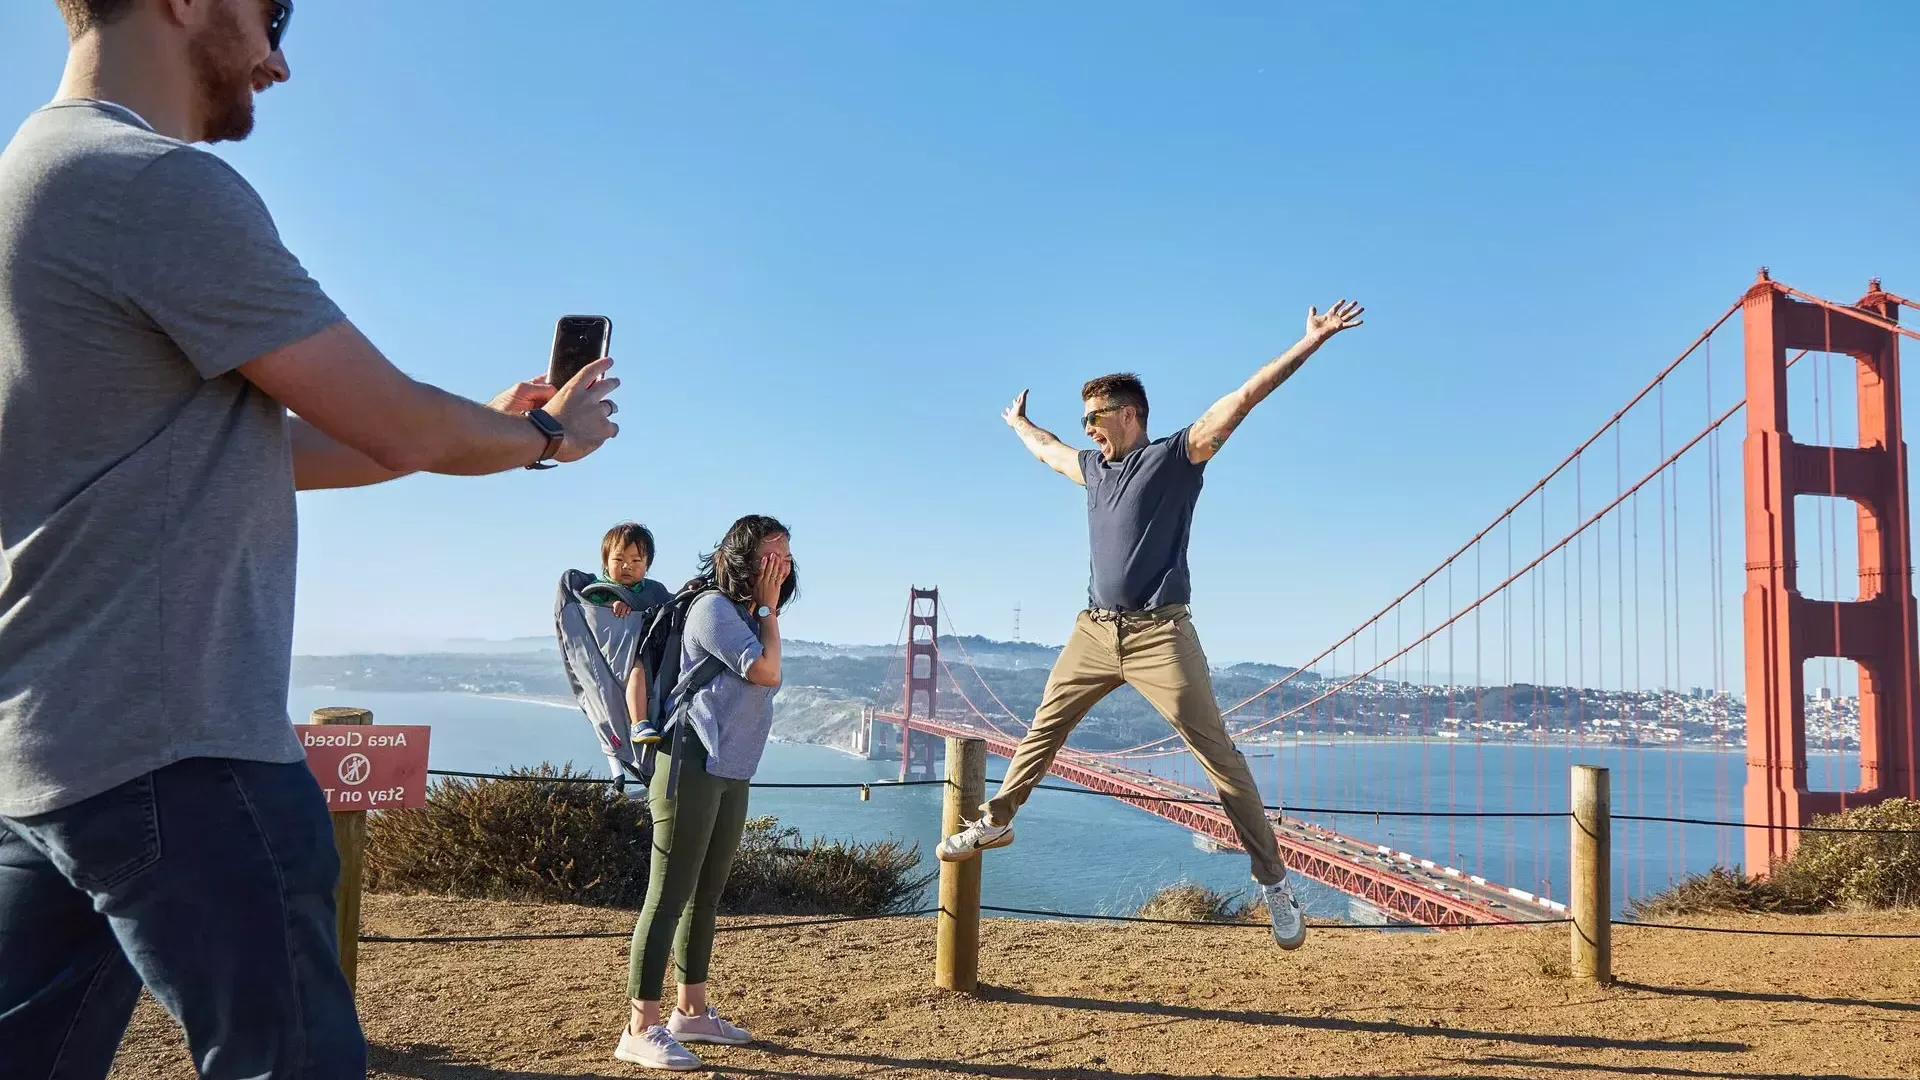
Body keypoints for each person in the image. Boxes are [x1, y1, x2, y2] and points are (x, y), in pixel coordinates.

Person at [0, 3, 621, 1077]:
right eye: (270, 16)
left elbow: (300, 443)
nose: (278, 61)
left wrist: (475, 422)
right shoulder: (150, 183)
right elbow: (391, 416)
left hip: (44, 759)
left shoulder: (29, 186)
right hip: (181, 751)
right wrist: (545, 438)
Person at [937, 300, 1366, 951]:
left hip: (1161, 635)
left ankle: (1275, 883)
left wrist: (1308, 343)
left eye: (1097, 419)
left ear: (1131, 414)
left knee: (1219, 759)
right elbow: (1048, 451)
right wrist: (1020, 423)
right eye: (1084, 420)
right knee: (1042, 731)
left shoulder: (1175, 458)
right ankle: (996, 822)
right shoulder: (1092, 470)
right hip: (1092, 631)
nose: (1089, 430)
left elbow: (1242, 398)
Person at [617, 515, 796, 1072]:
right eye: (772, 554)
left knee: (707, 894)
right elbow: (766, 673)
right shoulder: (714, 610)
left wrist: (766, 608)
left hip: (732, 767)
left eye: (787, 555)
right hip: (688, 761)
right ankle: (639, 1026)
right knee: (668, 895)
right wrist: (768, 606)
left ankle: (690, 1011)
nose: (782, 564)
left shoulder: (748, 614)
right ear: (744, 559)